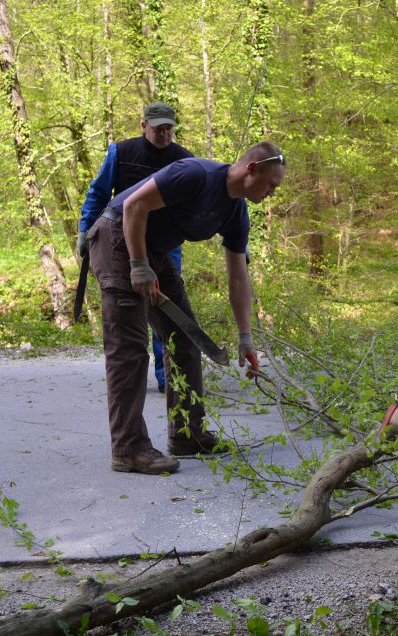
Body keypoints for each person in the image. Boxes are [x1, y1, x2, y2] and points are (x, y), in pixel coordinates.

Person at [88, 141, 286, 475]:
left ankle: (187, 435)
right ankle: (128, 449)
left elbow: (238, 277)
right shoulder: (196, 174)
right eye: (271, 184)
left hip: (155, 251)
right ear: (251, 169)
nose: (272, 192)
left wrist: (246, 337)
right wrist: (138, 265)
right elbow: (134, 206)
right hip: (118, 238)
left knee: (185, 337)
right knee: (130, 348)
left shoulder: (236, 211)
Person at [78, 102, 193, 393]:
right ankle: (130, 376)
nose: (164, 134)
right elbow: (98, 192)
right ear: (143, 126)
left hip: (165, 246)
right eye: (158, 129)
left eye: (169, 129)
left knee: (164, 306)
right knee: (129, 307)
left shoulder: (183, 160)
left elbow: (200, 199)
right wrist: (85, 230)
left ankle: (168, 376)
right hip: (122, 240)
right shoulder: (122, 152)